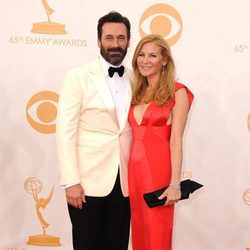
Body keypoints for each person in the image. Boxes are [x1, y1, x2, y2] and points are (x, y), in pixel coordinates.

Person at [56, 11, 133, 250]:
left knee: (117, 245)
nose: (115, 44)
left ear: (128, 41)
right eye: (109, 38)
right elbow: (64, 131)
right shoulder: (77, 77)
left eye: (121, 38)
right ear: (99, 41)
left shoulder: (135, 78)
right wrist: (71, 181)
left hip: (124, 184)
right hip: (87, 184)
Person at [128, 34, 194, 250]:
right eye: (141, 55)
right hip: (133, 174)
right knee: (139, 233)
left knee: (157, 235)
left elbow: (176, 141)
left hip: (157, 173)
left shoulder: (177, 91)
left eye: (153, 55)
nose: (145, 60)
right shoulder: (135, 92)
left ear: (164, 60)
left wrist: (175, 184)